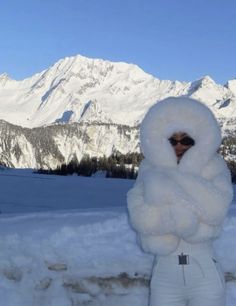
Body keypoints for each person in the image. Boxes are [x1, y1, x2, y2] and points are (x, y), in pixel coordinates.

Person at [127, 96, 233, 306]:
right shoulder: (149, 168)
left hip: (205, 276)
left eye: (186, 140)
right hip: (165, 277)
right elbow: (140, 218)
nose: (179, 146)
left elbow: (217, 209)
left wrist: (164, 188)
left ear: (199, 140)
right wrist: (184, 219)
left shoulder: (214, 166)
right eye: (172, 140)